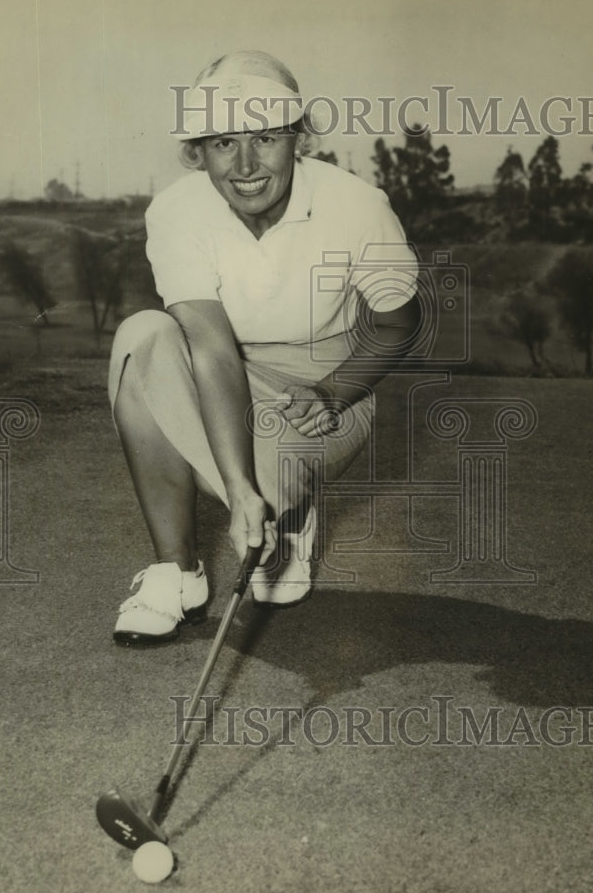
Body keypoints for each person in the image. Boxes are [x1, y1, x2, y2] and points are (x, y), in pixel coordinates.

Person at [108, 50, 421, 645]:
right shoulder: (177, 210)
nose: (246, 164)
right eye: (224, 143)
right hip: (218, 368)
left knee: (271, 491)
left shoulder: (356, 204)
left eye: (266, 138)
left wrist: (334, 391)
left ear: (298, 140)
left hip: (321, 382)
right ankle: (176, 572)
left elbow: (398, 323)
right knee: (140, 338)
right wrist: (239, 490)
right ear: (198, 152)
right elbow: (211, 349)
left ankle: (291, 516)